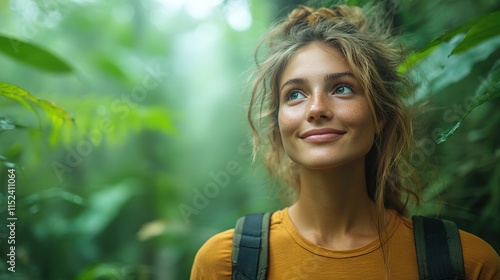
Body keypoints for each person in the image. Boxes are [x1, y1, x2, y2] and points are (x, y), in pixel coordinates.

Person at [190, 3, 500, 279]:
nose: (316, 109)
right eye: (295, 94)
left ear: (380, 115)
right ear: (278, 126)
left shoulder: (467, 263)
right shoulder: (226, 264)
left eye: (342, 89)